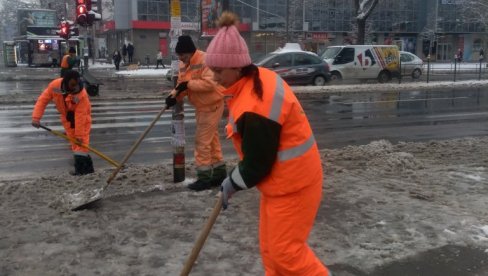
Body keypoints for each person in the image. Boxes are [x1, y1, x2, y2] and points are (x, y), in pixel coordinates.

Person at [205, 12, 330, 275]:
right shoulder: (254, 80)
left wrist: (232, 182)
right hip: (280, 186)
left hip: (296, 186)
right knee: (271, 251)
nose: (214, 77)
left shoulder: (255, 106)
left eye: (218, 71)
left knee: (286, 253)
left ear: (237, 66)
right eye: (211, 70)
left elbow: (257, 164)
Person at [165, 35, 227, 191]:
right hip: (202, 106)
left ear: (190, 52)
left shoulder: (206, 60)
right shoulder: (183, 64)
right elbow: (181, 84)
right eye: (179, 55)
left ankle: (204, 178)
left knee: (201, 142)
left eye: (183, 55)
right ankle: (219, 174)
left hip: (212, 104)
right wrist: (173, 96)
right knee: (211, 141)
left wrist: (187, 84)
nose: (181, 58)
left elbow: (209, 84)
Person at [32, 70, 94, 176]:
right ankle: (88, 170)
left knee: (81, 144)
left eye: (76, 84)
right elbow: (43, 100)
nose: (74, 87)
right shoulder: (55, 86)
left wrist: (79, 135)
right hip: (67, 119)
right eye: (72, 84)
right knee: (75, 145)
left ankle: (81, 171)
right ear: (65, 82)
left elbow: (81, 115)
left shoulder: (80, 94)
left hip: (82, 120)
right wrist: (36, 117)